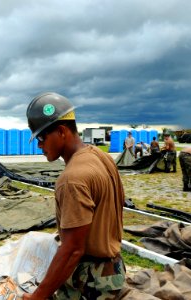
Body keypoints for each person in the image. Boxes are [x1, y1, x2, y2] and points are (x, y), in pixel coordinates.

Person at [23, 92, 125, 299]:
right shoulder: (102, 157)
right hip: (111, 272)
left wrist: (38, 296)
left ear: (61, 131)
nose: (39, 145)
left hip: (90, 281)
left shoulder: (72, 179)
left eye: (42, 138)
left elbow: (72, 250)